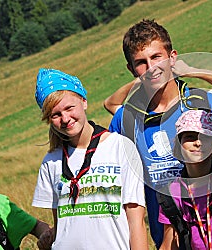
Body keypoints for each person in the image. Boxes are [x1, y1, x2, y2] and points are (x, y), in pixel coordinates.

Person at [106, 19, 212, 248]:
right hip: (166, 240)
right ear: (131, 70)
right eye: (141, 63)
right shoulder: (126, 119)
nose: (151, 67)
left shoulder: (204, 103)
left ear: (172, 57)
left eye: (156, 57)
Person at [32, 68, 148, 249]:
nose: (65, 118)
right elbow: (63, 224)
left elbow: (136, 222)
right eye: (55, 115)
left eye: (69, 108)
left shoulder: (121, 147)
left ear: (84, 102)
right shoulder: (51, 161)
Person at [158, 109, 212, 250]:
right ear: (178, 145)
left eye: (206, 137)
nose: (198, 142)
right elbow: (169, 243)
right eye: (190, 136)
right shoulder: (172, 192)